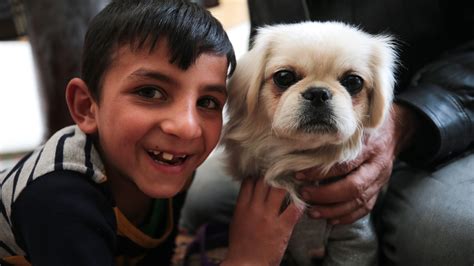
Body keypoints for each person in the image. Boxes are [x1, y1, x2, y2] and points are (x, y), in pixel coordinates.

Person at [0, 0, 303, 265]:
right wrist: (248, 259)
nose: (186, 127)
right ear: (86, 107)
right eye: (150, 92)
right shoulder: (59, 199)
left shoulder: (169, 165)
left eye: (208, 102)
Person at [180, 0, 474, 264]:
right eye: (286, 78)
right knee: (199, 198)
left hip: (443, 123)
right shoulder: (262, 57)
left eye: (352, 82)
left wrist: (408, 119)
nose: (318, 97)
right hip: (282, 145)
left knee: (454, 237)